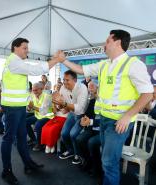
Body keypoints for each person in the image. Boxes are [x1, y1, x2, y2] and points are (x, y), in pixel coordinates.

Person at [58, 30, 153, 185]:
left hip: (119, 123)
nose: (104, 44)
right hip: (104, 120)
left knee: (109, 162)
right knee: (106, 160)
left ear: (117, 42)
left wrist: (128, 116)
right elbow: (81, 70)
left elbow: (148, 94)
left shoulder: (133, 64)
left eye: (108, 41)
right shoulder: (104, 65)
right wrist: (64, 60)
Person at [0, 37, 62, 185]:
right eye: (24, 48)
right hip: (13, 107)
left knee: (21, 137)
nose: (27, 50)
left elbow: (34, 66)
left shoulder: (17, 62)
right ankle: (6, 170)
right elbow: (35, 69)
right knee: (8, 139)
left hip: (19, 107)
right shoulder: (13, 62)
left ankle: (28, 163)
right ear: (15, 48)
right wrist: (56, 60)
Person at [53, 70, 88, 165]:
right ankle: (71, 151)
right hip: (72, 113)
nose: (64, 82)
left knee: (73, 134)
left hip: (82, 115)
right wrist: (58, 105)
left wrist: (64, 104)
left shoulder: (82, 88)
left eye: (67, 80)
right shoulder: (63, 88)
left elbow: (80, 109)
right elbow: (61, 104)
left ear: (75, 80)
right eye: (64, 79)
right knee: (64, 134)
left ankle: (78, 155)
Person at [26, 82, 54, 151]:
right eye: (33, 90)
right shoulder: (32, 95)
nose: (34, 92)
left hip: (48, 116)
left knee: (38, 124)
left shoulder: (47, 96)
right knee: (25, 122)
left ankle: (40, 144)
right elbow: (28, 109)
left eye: (36, 90)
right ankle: (33, 139)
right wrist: (29, 108)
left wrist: (33, 107)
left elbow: (44, 111)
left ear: (41, 89)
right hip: (38, 116)